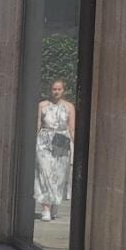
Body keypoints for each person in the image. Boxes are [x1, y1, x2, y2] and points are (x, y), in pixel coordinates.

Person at [35, 78, 75, 221]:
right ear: (50, 90)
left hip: (61, 140)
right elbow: (38, 124)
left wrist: (75, 147)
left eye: (59, 89)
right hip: (44, 140)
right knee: (44, 173)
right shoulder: (42, 105)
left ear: (63, 90)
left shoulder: (69, 107)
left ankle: (54, 204)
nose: (56, 92)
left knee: (59, 175)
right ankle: (45, 208)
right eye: (54, 89)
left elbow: (72, 128)